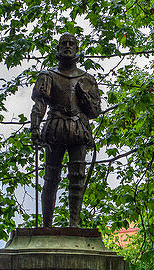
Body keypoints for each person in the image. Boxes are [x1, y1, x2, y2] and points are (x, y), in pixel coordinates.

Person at [30, 33, 102, 227]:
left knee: (77, 177)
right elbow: (40, 104)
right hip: (56, 128)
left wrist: (84, 96)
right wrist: (35, 127)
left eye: (72, 44)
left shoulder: (87, 79)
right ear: (58, 49)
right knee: (51, 177)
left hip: (79, 129)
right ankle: (47, 225)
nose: (68, 47)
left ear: (77, 50)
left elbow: (95, 111)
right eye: (64, 44)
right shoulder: (48, 76)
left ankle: (74, 223)